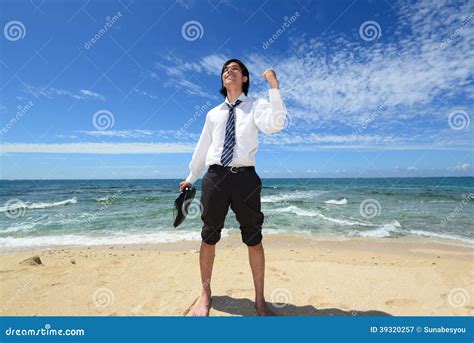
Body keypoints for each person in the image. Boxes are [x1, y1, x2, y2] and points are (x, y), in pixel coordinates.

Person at [179, 58, 287, 316]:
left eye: (235, 69)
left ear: (245, 78)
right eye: (225, 70)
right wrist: (191, 176)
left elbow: (277, 124)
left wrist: (274, 87)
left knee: (253, 239)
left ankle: (259, 300)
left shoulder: (256, 106)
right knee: (209, 236)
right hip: (215, 177)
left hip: (245, 178)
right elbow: (203, 147)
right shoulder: (213, 114)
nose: (229, 71)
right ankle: (205, 295)